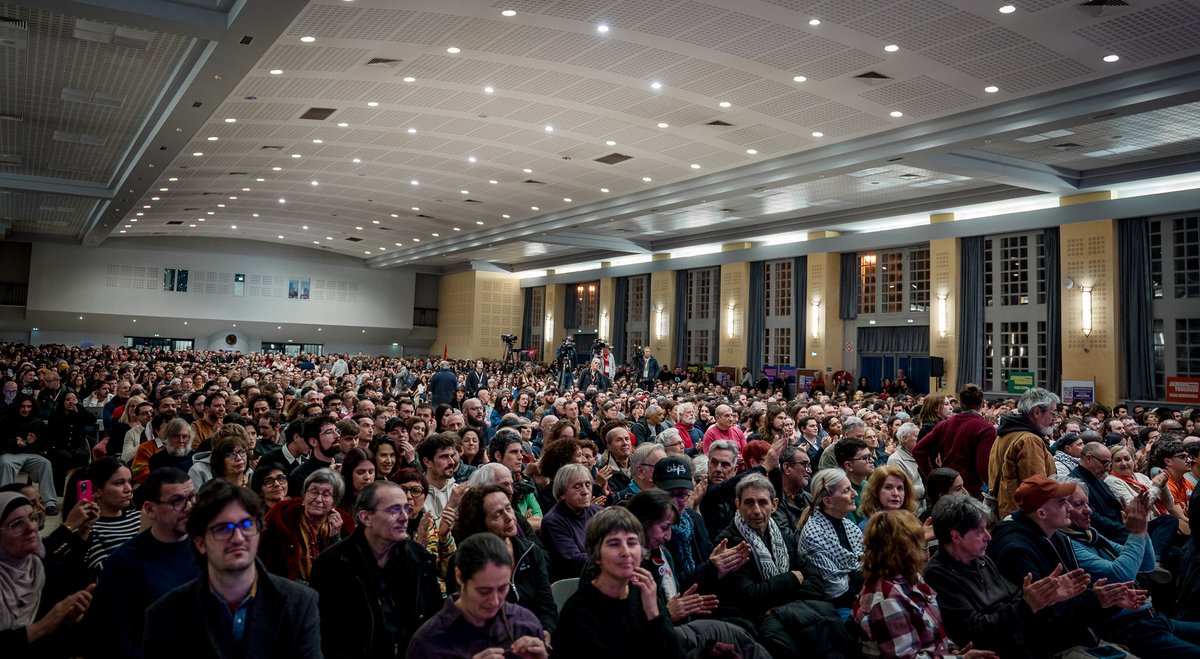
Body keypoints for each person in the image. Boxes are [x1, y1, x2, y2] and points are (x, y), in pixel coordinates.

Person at [143, 481, 322, 659]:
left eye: (246, 525)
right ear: (200, 543)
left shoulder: (299, 603)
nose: (238, 538)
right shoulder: (165, 615)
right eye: (223, 528)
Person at [987, 476, 1145, 657]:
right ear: (1041, 514)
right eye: (1062, 503)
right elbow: (1045, 617)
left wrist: (1108, 600)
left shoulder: (1057, 536)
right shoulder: (1015, 549)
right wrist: (1096, 600)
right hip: (1052, 648)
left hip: (1081, 636)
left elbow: (1074, 598)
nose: (1069, 508)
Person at [1061, 480, 1200, 655]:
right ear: (1061, 507)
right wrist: (1137, 532)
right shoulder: (1068, 545)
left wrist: (1142, 526)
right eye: (1079, 504)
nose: (1088, 510)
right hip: (1130, 628)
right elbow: (1120, 574)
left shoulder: (1091, 536)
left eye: (1087, 503)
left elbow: (1147, 564)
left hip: (1154, 618)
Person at [309, 481, 443, 658]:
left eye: (406, 509)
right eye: (394, 510)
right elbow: (323, 634)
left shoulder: (419, 557)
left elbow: (434, 619)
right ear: (365, 517)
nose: (404, 517)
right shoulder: (332, 565)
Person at [854, 509, 998, 658]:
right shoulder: (886, 601)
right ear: (902, 549)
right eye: (919, 543)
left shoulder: (910, 578)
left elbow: (934, 633)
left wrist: (953, 651)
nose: (924, 550)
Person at [88, 468, 199, 659]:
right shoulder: (124, 562)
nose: (189, 507)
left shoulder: (209, 548)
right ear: (150, 510)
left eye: (192, 498)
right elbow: (115, 638)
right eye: (177, 501)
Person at [554, 506, 681, 659]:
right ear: (596, 555)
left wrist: (653, 614)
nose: (626, 552)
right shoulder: (578, 611)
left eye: (632, 542)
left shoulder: (646, 596)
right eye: (614, 544)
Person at [407, 533, 548, 659]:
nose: (494, 601)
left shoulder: (525, 624)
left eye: (503, 588)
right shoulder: (429, 643)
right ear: (459, 577)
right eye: (484, 591)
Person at [449, 484, 557, 637]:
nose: (509, 518)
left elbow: (546, 604)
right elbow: (464, 617)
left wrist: (546, 632)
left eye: (508, 508)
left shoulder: (531, 552)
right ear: (480, 523)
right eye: (497, 515)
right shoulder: (465, 561)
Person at [0, 491, 96, 658]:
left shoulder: (53, 572)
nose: (31, 527)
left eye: (32, 518)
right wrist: (43, 625)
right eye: (16, 524)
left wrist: (72, 619)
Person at [261, 467, 355, 582]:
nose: (318, 499)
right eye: (314, 492)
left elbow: (345, 571)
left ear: (334, 502)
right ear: (304, 495)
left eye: (326, 494)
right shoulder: (282, 515)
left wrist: (335, 537)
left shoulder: (344, 523)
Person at [987, 388, 1060, 519]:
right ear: (1037, 412)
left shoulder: (1005, 433)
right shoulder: (1029, 440)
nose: (1055, 419)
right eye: (1053, 413)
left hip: (1007, 512)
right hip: (1024, 517)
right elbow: (1037, 488)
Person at [913, 384, 995, 498]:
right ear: (982, 404)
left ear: (960, 404)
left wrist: (932, 476)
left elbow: (918, 450)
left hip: (946, 489)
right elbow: (983, 467)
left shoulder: (943, 425)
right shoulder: (986, 428)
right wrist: (994, 488)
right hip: (970, 492)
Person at [797, 468, 863, 607]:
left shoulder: (848, 524)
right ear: (828, 502)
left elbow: (866, 564)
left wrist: (853, 576)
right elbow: (835, 590)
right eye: (846, 491)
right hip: (835, 606)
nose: (855, 494)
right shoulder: (813, 534)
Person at [75, 457, 139, 577]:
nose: (129, 489)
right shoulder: (88, 529)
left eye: (130, 482)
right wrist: (143, 538)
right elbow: (104, 575)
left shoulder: (139, 517)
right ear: (95, 490)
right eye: (119, 483)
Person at [540, 462, 600, 581]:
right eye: (577, 487)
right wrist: (610, 557)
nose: (585, 491)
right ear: (562, 494)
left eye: (588, 485)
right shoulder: (553, 521)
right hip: (572, 583)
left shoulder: (598, 513)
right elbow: (574, 560)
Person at [0, 394, 58, 516]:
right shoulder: (5, 421)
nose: (26, 409)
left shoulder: (38, 423)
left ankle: (49, 503)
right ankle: (6, 502)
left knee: (45, 463)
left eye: (29, 407)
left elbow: (43, 445)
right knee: (6, 463)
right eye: (23, 406)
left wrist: (33, 443)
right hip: (10, 454)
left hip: (31, 454)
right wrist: (14, 442)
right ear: (17, 407)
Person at [287, 414, 341, 497]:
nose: (337, 435)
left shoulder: (343, 463)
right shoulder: (300, 475)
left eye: (337, 431)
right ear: (313, 442)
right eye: (329, 432)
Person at [886, 421, 925, 504]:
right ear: (905, 438)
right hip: (911, 509)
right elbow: (901, 490)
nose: (921, 439)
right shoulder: (895, 460)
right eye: (917, 436)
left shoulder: (919, 454)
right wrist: (928, 487)